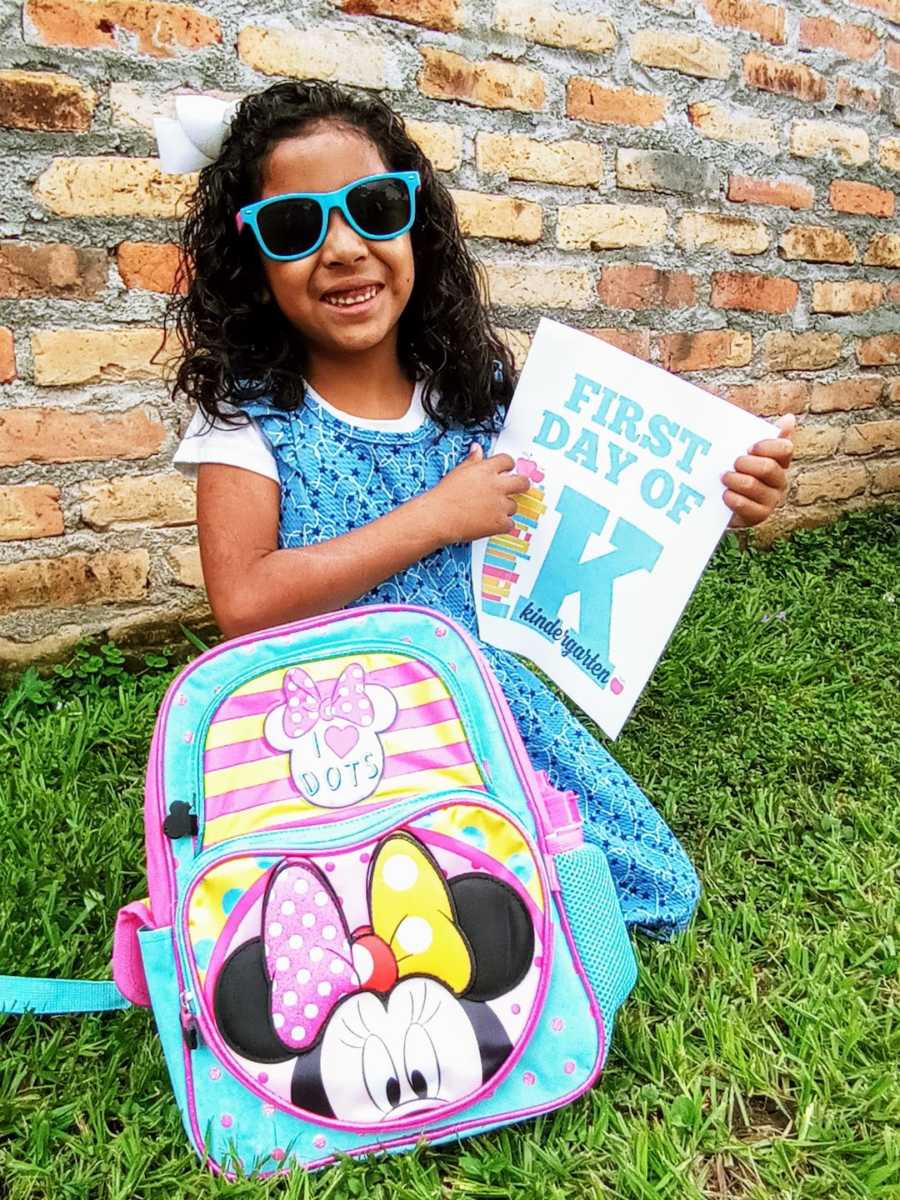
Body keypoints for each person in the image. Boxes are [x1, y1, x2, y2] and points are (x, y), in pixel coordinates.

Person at [166, 80, 795, 941]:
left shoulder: (476, 393)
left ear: (413, 223)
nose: (344, 248)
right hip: (329, 728)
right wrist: (435, 517)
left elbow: (594, 509)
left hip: (480, 707)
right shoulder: (249, 416)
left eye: (373, 208)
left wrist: (721, 501)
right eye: (294, 226)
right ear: (251, 260)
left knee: (652, 884)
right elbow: (242, 602)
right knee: (386, 887)